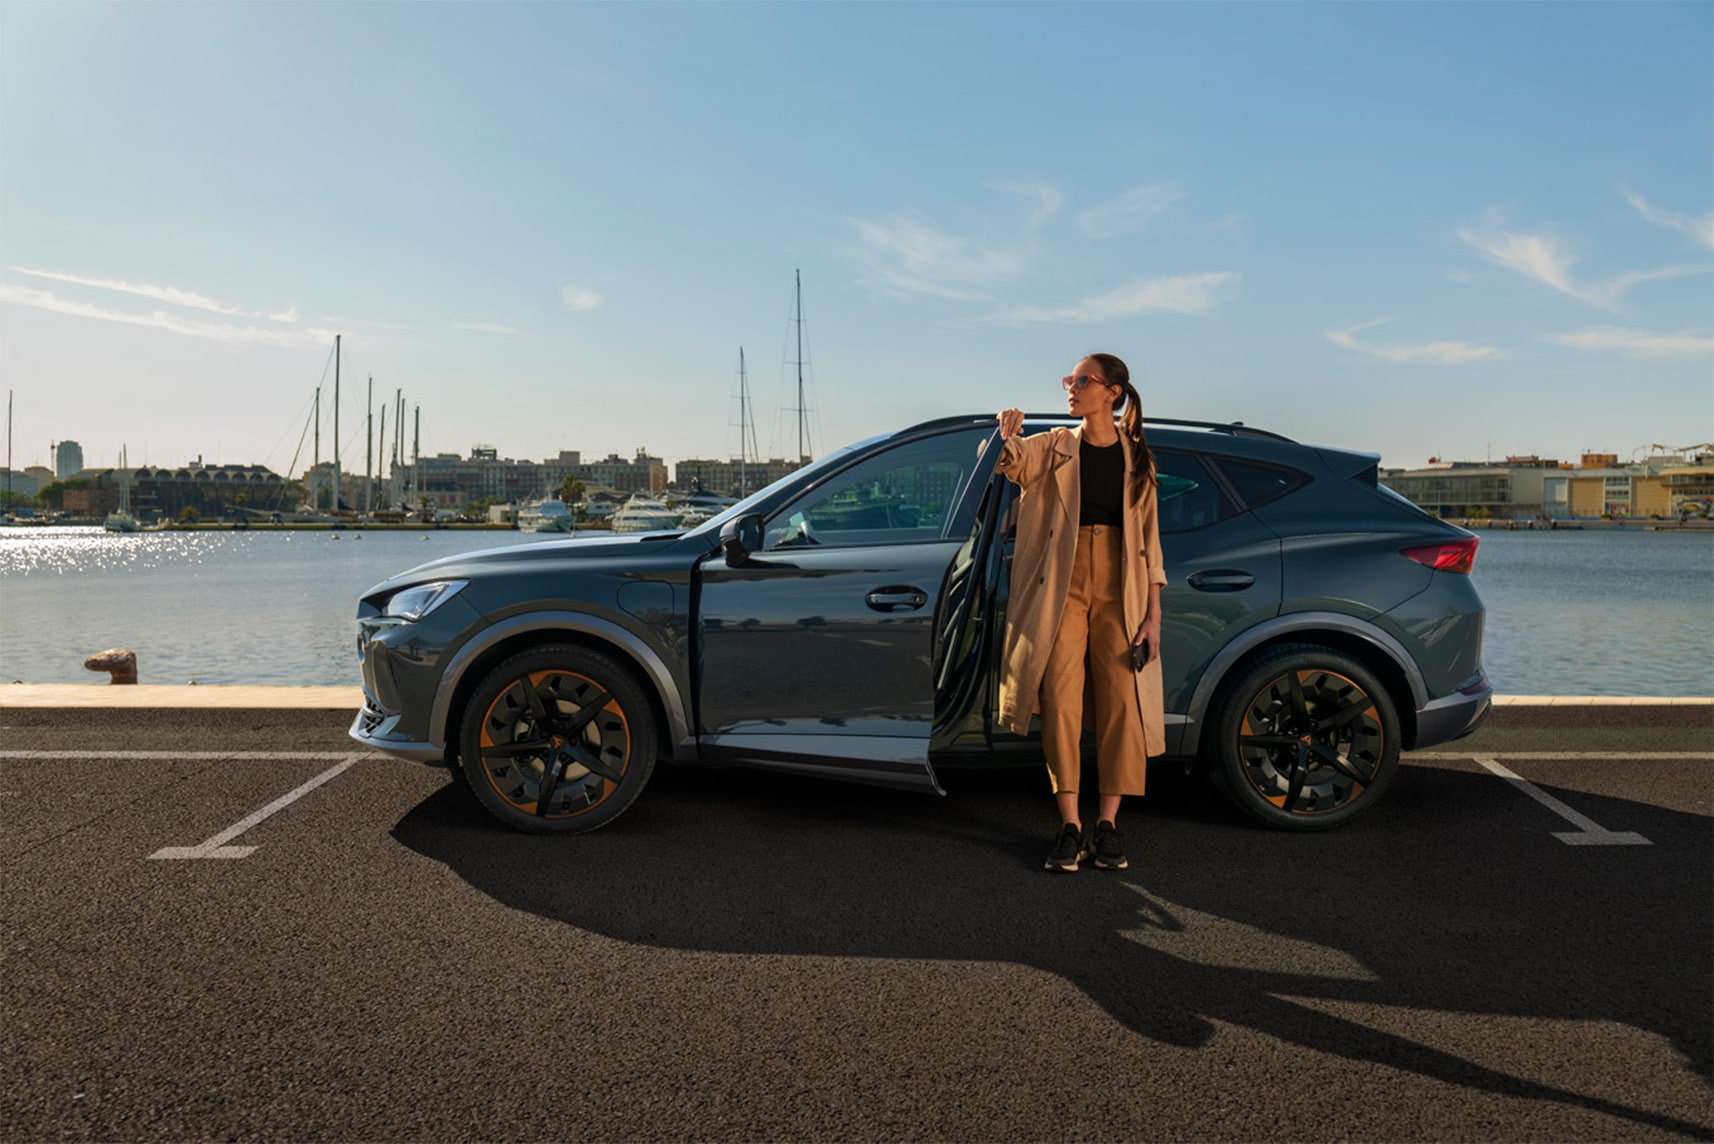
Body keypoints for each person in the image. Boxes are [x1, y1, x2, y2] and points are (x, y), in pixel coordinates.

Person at [995, 353, 1167, 872]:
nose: (1071, 387)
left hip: (1124, 587)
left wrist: (1153, 614)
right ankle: (1069, 825)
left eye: (1083, 380)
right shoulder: (1054, 445)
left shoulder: (1138, 457)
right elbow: (1014, 465)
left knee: (1122, 703)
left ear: (1112, 392)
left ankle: (1107, 826)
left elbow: (1152, 544)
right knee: (1060, 699)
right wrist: (1006, 435)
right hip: (1061, 586)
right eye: (1069, 380)